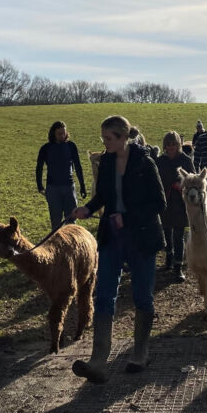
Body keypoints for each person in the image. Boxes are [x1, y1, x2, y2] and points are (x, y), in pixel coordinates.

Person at [69, 116, 165, 382]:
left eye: (108, 139)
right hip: (112, 236)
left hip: (142, 237)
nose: (104, 143)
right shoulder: (108, 161)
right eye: (103, 139)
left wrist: (129, 217)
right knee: (104, 294)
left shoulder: (145, 163)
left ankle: (141, 352)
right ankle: (99, 360)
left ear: (123, 137)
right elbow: (103, 196)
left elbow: (159, 203)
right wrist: (87, 208)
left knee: (142, 295)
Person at [156, 131, 195, 282]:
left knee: (178, 234)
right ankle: (169, 257)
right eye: (169, 144)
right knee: (166, 232)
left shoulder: (185, 159)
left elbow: (193, 179)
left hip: (180, 202)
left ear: (178, 145)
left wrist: (183, 184)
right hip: (164, 201)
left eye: (174, 144)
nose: (171, 147)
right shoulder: (160, 161)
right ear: (165, 146)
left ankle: (178, 266)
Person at [35, 121, 87, 230]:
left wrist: (82, 185)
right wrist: (40, 186)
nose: (62, 136)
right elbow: (39, 168)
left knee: (72, 219)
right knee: (56, 220)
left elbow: (78, 166)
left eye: (64, 133)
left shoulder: (71, 146)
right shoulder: (46, 148)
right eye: (59, 134)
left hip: (69, 187)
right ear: (53, 134)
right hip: (53, 189)